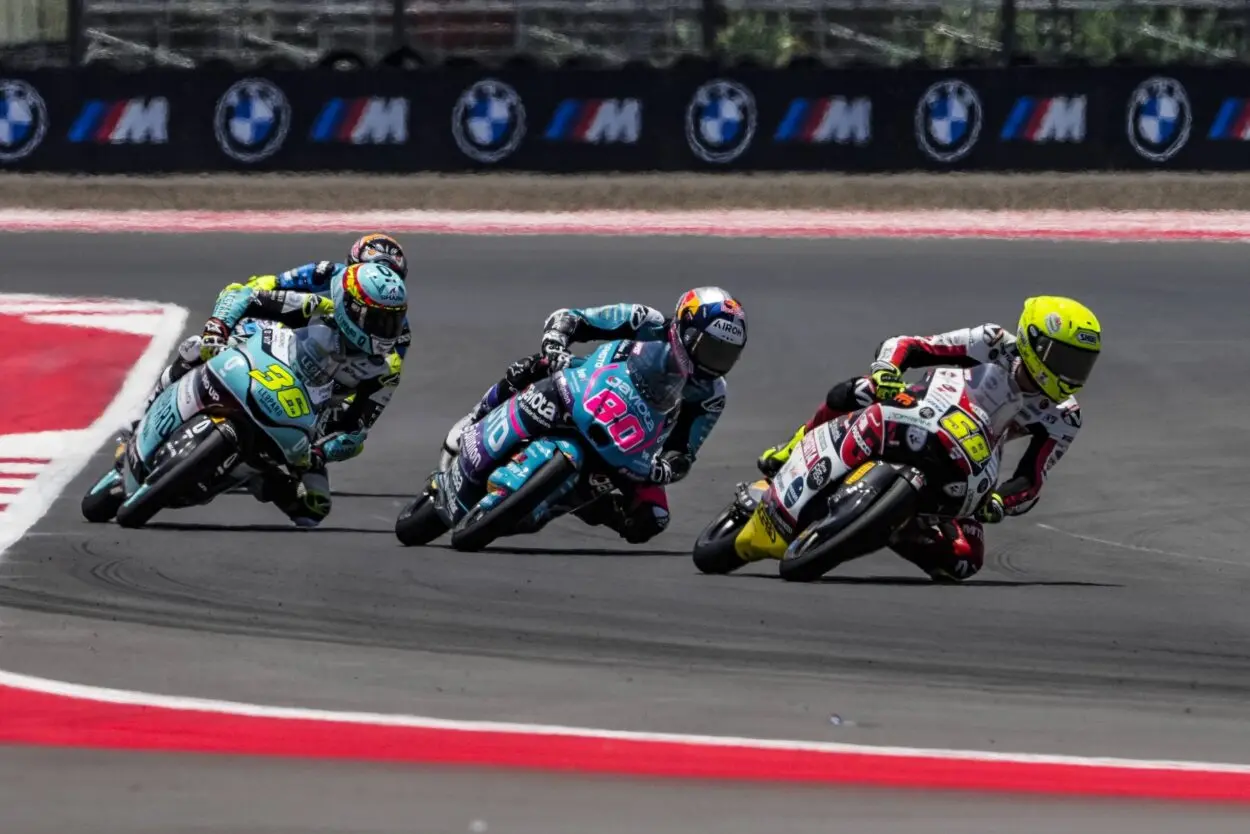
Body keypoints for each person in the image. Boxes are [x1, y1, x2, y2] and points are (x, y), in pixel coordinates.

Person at [755, 296, 1101, 582]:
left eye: (1082, 364)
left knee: (965, 560)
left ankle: (894, 524)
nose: (1072, 374)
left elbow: (1032, 478)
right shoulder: (992, 342)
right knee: (862, 390)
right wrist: (887, 369)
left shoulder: (1064, 416)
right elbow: (912, 346)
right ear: (1032, 341)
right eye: (1065, 359)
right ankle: (794, 448)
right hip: (922, 408)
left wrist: (999, 501)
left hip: (970, 461)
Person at [445, 287, 748, 543]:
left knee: (652, 519)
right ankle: (476, 417)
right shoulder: (645, 320)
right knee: (536, 365)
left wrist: (666, 469)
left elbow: (684, 450)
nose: (715, 362)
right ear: (685, 329)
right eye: (711, 348)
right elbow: (574, 318)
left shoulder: (711, 393)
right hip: (587, 385)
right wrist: (556, 341)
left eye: (725, 355)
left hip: (633, 443)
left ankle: (582, 502)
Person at [136, 262, 408, 527]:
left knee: (314, 508)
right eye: (377, 319)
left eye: (393, 321)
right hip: (259, 371)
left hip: (298, 429)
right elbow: (239, 294)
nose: (385, 330)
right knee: (194, 349)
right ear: (349, 307)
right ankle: (139, 421)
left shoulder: (385, 369)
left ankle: (255, 475)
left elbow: (356, 432)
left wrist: (320, 452)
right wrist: (216, 330)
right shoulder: (315, 308)